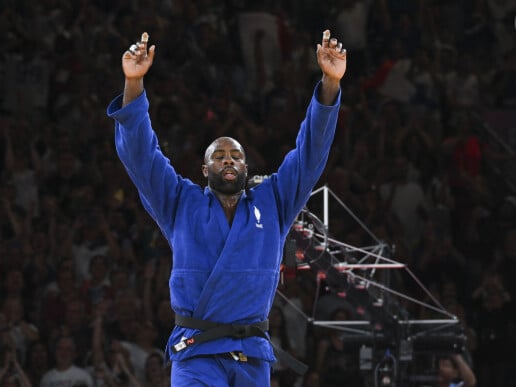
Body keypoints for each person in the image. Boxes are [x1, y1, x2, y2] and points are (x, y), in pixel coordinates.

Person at [107, 29, 346, 386]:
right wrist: (134, 84)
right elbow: (143, 158)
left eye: (236, 155)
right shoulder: (181, 202)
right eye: (218, 156)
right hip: (196, 354)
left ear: (247, 169)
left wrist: (329, 83)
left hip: (251, 354)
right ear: (205, 171)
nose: (228, 160)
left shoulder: (274, 201)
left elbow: (310, 153)